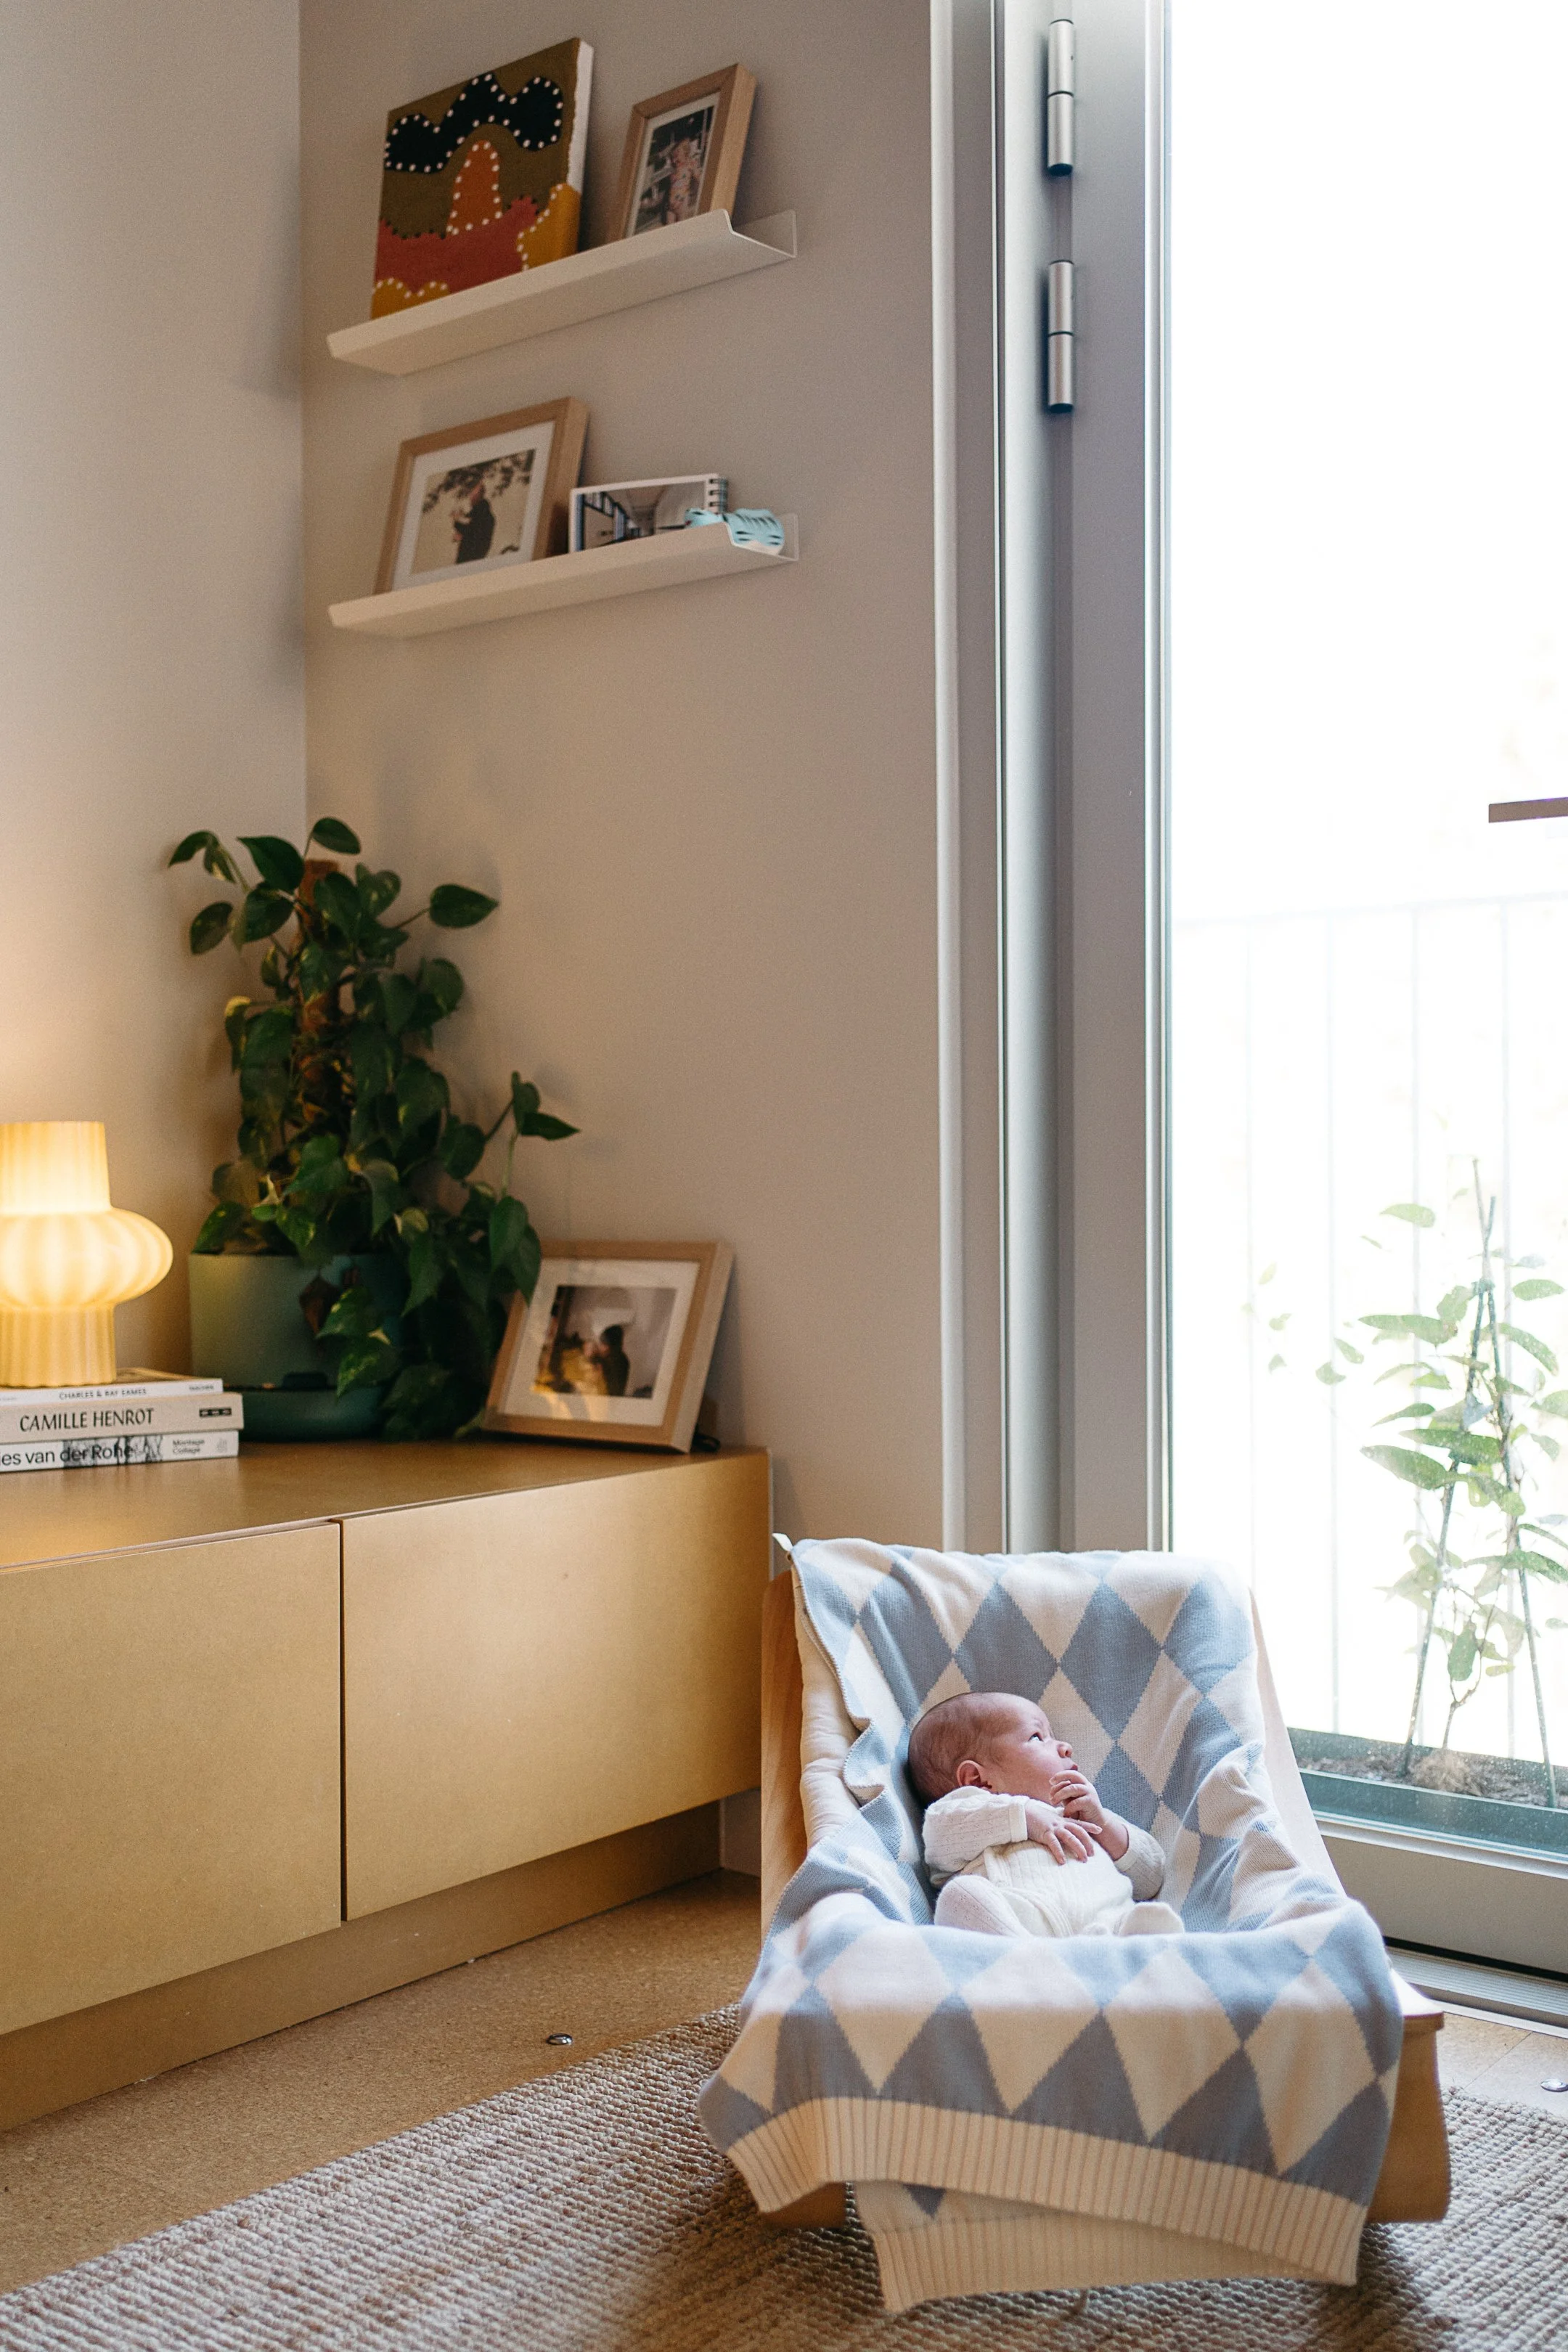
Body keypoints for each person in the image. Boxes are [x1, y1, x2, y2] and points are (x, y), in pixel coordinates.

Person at [908, 1691, 1184, 1938]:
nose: (1065, 1747)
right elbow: (939, 1831)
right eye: (1038, 1737)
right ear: (979, 1781)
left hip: (1108, 1927)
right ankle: (1030, 1963)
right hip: (1020, 1928)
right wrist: (1025, 1816)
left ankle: (1130, 1963)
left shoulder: (1080, 1812)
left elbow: (1151, 1878)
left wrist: (1103, 1823)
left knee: (1153, 1921)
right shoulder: (965, 1810)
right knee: (961, 1899)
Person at [453, 478, 497, 564]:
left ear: (479, 495)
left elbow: (471, 532)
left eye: (473, 494)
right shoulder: (481, 513)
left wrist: (457, 522)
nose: (470, 497)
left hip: (471, 558)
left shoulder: (482, 513)